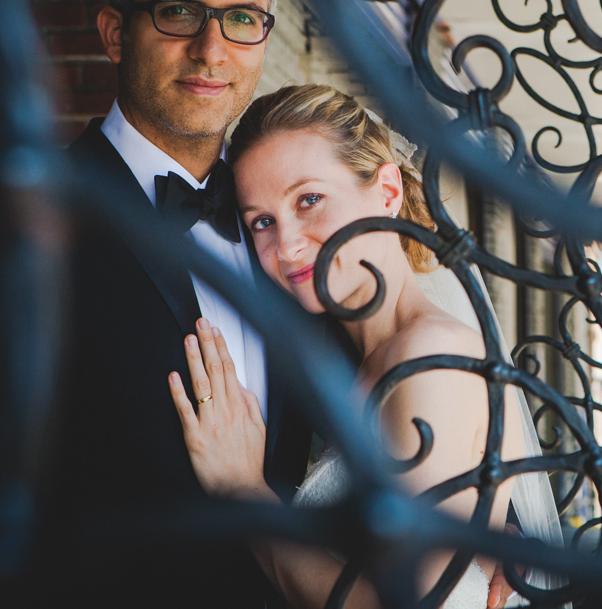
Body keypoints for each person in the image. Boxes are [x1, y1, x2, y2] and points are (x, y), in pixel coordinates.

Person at [165, 85, 563, 608]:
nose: (286, 246)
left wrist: (245, 492)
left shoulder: (430, 363)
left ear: (388, 193)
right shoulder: (331, 352)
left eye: (309, 200)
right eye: (262, 221)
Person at [45, 0, 320, 608]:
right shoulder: (33, 217)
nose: (211, 50)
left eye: (241, 20)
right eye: (177, 13)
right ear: (114, 33)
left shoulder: (286, 224)